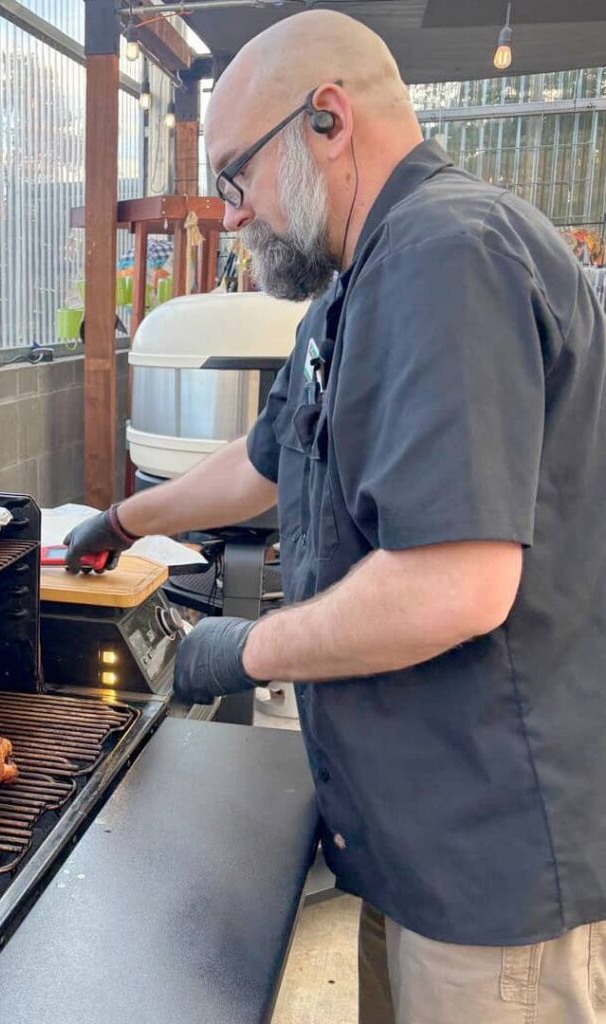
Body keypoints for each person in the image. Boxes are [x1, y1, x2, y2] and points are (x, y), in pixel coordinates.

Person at [64, 10, 606, 1023]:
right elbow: (262, 461)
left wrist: (246, 648)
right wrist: (126, 518)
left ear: (327, 120)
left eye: (237, 177)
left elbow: (454, 586)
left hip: (487, 856)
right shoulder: (350, 292)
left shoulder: (446, 259)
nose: (231, 217)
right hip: (405, 835)